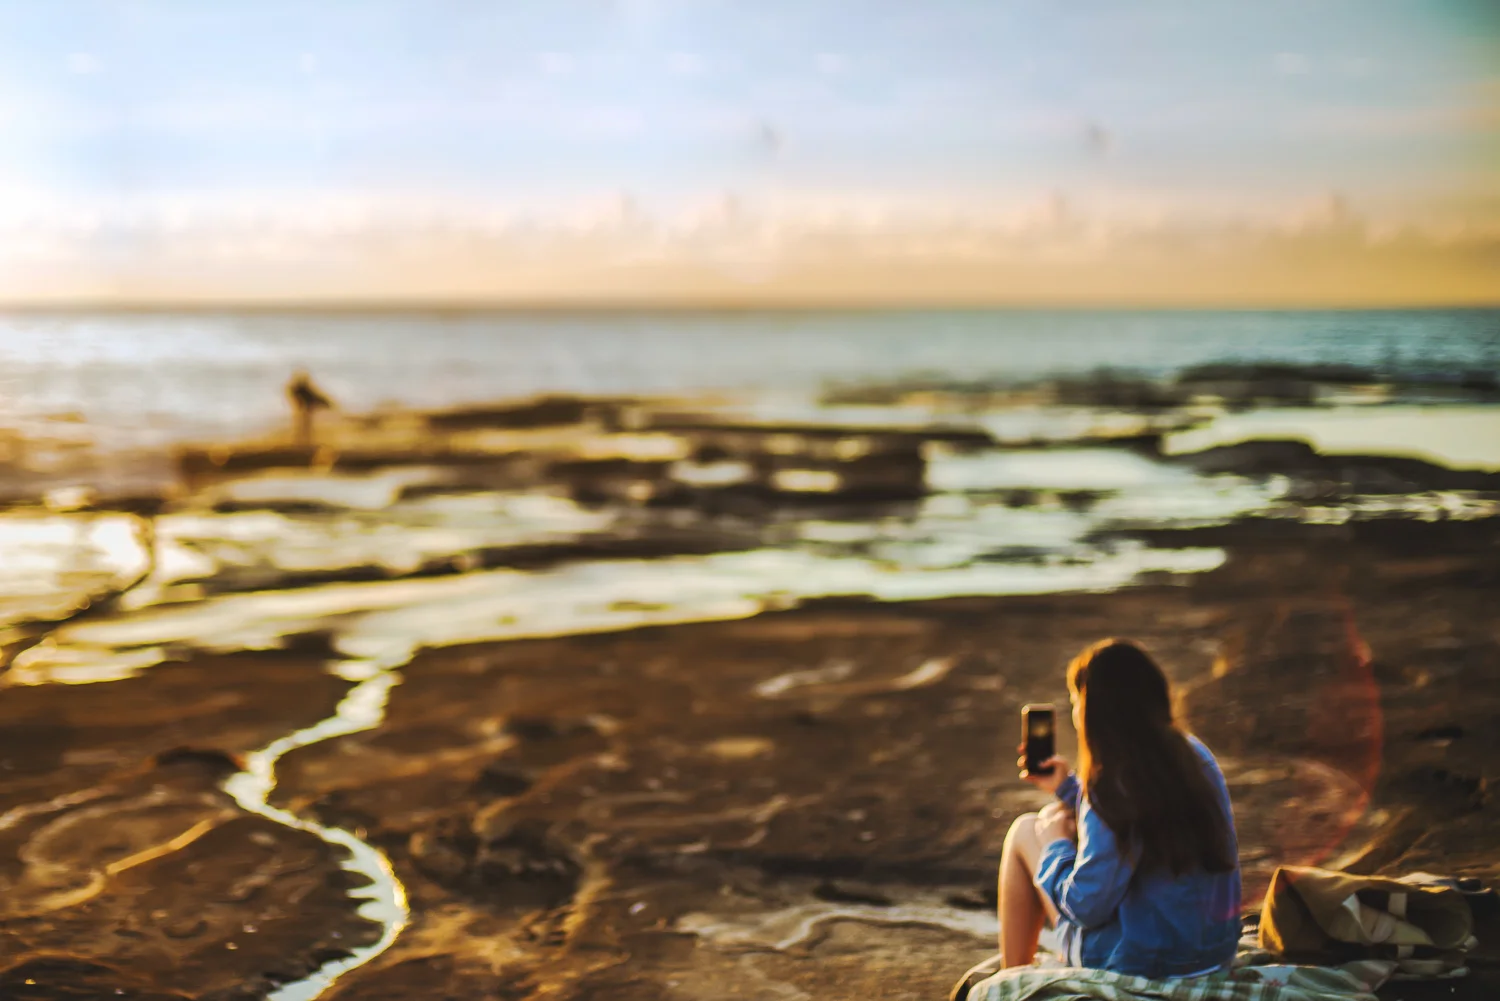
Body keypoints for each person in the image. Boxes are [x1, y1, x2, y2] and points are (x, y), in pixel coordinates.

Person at [997, 638, 1241, 978]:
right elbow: (1141, 816)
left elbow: (1086, 906)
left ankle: (1014, 978)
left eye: (1074, 701)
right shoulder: (1193, 755)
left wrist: (1056, 846)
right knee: (1056, 816)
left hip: (1140, 963)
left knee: (1027, 828)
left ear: (1090, 709)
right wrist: (1067, 788)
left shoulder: (1113, 779)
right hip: (1211, 953)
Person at [286, 370, 334, 447]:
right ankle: (303, 440)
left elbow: (306, 401)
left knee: (304, 424)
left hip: (306, 410)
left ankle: (303, 441)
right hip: (306, 410)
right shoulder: (299, 389)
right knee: (304, 424)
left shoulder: (298, 389)